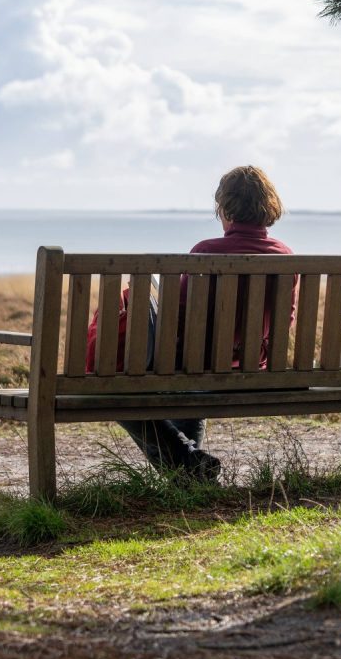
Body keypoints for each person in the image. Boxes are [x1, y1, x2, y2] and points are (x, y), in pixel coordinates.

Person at [96, 166, 294, 480]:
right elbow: (285, 321)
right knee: (193, 367)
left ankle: (187, 463)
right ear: (268, 207)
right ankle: (190, 476)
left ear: (224, 208)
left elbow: (180, 315)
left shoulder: (206, 252)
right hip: (253, 365)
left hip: (197, 365)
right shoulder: (285, 256)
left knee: (107, 386)